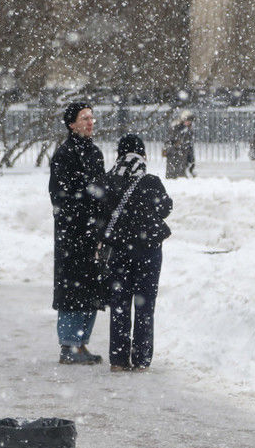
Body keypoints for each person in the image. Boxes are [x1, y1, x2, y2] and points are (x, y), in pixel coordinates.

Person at [101, 134, 172, 372]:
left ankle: (119, 360)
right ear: (143, 155)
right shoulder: (151, 181)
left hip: (120, 252)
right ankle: (141, 359)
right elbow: (165, 208)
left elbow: (101, 213)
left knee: (119, 305)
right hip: (148, 251)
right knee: (145, 306)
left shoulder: (109, 181)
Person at [48, 102, 107, 365]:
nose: (90, 122)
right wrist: (80, 214)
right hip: (72, 233)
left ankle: (82, 342)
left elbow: (101, 189)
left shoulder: (94, 152)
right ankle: (68, 344)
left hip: (92, 232)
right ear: (71, 124)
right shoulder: (65, 154)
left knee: (90, 288)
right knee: (72, 288)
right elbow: (60, 195)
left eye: (92, 118)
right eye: (84, 118)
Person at [164, 111, 196, 179]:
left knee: (181, 173)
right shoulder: (176, 127)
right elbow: (169, 140)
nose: (189, 122)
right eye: (187, 120)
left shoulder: (188, 129)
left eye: (190, 120)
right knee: (172, 173)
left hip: (183, 153)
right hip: (174, 153)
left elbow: (189, 143)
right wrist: (175, 146)